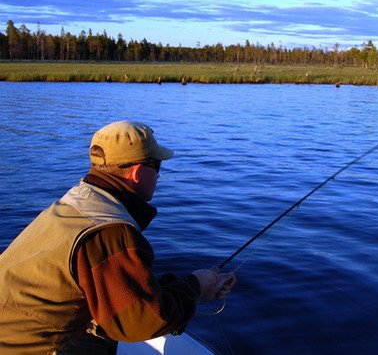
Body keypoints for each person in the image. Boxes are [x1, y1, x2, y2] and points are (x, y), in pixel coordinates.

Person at [0, 120, 236, 354]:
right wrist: (195, 287)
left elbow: (116, 284)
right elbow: (141, 322)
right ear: (137, 172)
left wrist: (184, 286)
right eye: (157, 167)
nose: (159, 176)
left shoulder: (74, 205)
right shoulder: (109, 230)